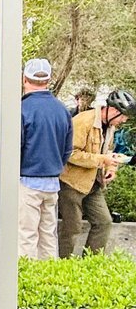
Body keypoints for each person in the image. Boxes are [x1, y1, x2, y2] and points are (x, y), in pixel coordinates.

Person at [58, 88, 136, 256]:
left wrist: (111, 167)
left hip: (93, 184)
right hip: (72, 184)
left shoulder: (110, 126)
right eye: (123, 116)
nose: (124, 121)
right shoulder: (83, 121)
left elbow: (109, 150)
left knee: (104, 222)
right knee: (72, 228)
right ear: (114, 110)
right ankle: (64, 268)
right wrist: (102, 160)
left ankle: (91, 265)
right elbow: (70, 153)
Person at [18, 59, 73, 259]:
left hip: (27, 181)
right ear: (48, 81)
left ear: (25, 79)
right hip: (52, 183)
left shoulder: (22, 110)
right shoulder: (62, 110)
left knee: (26, 236)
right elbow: (68, 149)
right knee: (48, 236)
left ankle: (29, 284)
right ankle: (49, 281)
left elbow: (17, 148)